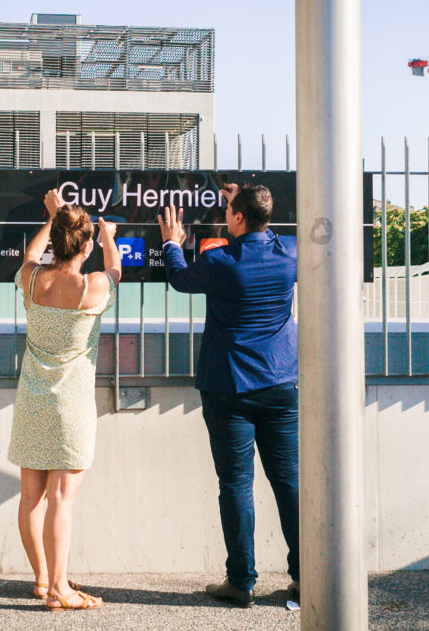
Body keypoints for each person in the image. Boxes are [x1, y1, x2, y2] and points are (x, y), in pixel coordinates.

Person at [157, 183, 299, 607]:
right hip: (279, 384)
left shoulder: (220, 261)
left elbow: (180, 279)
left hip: (229, 387)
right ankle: (306, 576)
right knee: (289, 483)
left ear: (237, 217)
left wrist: (171, 243)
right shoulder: (290, 252)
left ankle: (241, 582)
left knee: (237, 484)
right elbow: (263, 226)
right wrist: (242, 202)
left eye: (229, 212)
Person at [8, 188, 120, 611]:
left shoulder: (32, 279)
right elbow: (116, 269)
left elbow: (31, 255)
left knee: (30, 497)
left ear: (55, 239)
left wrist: (51, 217)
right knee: (62, 499)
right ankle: (61, 588)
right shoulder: (91, 288)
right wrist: (107, 234)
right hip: (71, 406)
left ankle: (42, 580)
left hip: (32, 401)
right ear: (86, 245)